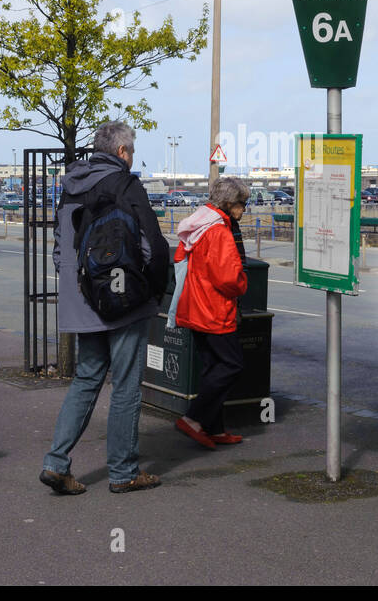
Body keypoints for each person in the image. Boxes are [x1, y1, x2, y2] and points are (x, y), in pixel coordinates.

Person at [39, 121, 170, 495]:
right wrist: (153, 290)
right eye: (132, 151)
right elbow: (152, 246)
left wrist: (82, 289)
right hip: (125, 298)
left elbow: (61, 248)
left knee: (87, 378)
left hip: (84, 299)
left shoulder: (70, 185)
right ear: (122, 152)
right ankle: (124, 471)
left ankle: (56, 462)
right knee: (126, 385)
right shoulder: (126, 184)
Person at [173, 176, 250, 450]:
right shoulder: (219, 231)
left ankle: (214, 427)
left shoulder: (200, 224)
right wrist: (243, 283)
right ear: (230, 204)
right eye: (243, 203)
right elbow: (229, 278)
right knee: (232, 364)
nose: (244, 209)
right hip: (214, 310)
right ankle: (193, 419)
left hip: (195, 305)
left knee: (212, 366)